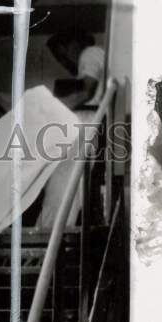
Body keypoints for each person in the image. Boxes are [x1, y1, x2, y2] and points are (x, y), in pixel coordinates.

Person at [36, 32, 106, 230]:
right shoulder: (96, 57)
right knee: (66, 190)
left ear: (75, 43)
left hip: (82, 128)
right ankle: (51, 232)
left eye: (62, 53)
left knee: (61, 187)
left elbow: (86, 91)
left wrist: (49, 107)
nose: (63, 60)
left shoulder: (90, 53)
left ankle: (49, 235)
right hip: (86, 128)